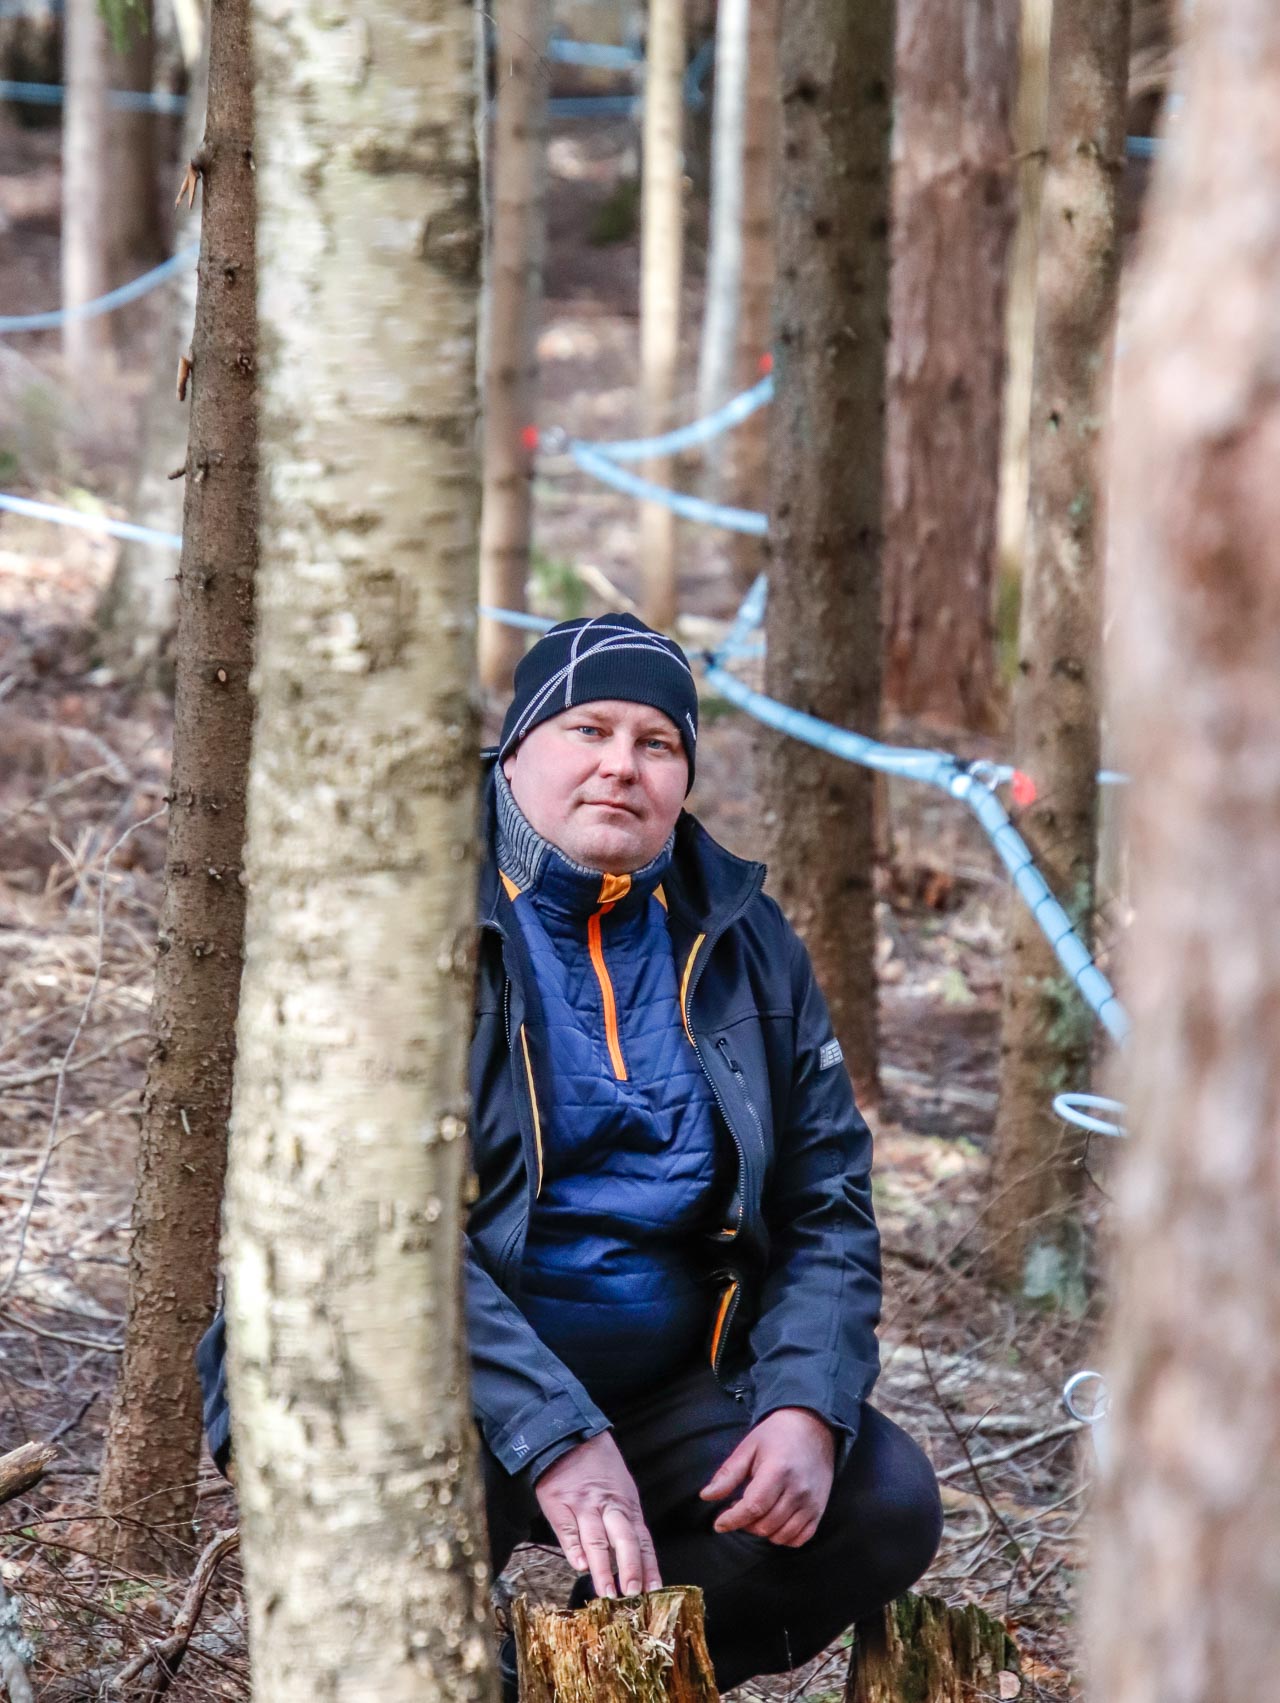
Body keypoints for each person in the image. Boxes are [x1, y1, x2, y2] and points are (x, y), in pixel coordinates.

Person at [198, 613, 941, 1695]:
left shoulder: (742, 938)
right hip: (398, 1374)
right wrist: (553, 1433)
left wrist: (802, 1402)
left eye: (656, 742)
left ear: (683, 772)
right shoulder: (401, 909)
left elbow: (824, 1198)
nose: (619, 765)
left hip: (657, 1387)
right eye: (586, 727)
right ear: (516, 746)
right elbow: (363, 1218)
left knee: (878, 1497)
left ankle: (579, 1672)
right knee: (387, 1585)